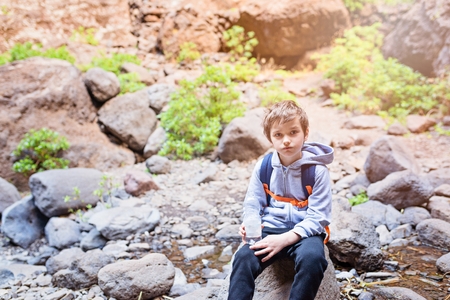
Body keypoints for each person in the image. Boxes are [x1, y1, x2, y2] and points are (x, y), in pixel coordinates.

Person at [227, 100, 334, 300]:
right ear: (270, 138)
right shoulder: (264, 166)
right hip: (270, 227)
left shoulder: (317, 171)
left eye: (293, 132)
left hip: (305, 232)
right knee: (243, 258)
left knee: (313, 259)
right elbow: (253, 202)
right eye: (278, 134)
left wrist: (285, 239)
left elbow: (319, 217)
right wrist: (251, 222)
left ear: (306, 133)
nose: (286, 140)